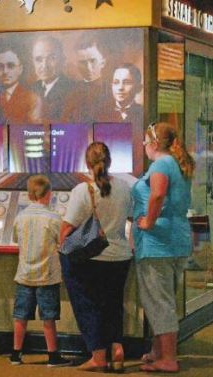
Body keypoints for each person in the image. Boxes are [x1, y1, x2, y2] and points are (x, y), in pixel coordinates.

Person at [60, 142, 133, 372]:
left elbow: (66, 230)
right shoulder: (124, 187)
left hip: (91, 259)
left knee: (88, 304)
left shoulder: (83, 191)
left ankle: (98, 356)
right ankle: (117, 348)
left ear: (87, 164)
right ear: (109, 162)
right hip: (120, 256)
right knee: (113, 304)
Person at [132, 122, 195, 373]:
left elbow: (157, 194)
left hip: (158, 243)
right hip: (176, 239)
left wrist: (148, 221)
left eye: (146, 142)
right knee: (163, 298)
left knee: (159, 301)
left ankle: (168, 358)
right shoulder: (176, 164)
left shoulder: (160, 164)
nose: (144, 147)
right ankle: (159, 351)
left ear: (155, 143)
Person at [10, 175, 72, 367]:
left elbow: (15, 238)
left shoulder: (20, 217)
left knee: (21, 316)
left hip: (24, 275)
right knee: (49, 317)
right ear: (50, 194)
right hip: (47, 275)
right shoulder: (54, 218)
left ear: (29, 195)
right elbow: (62, 242)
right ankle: (53, 356)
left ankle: (16, 353)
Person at [63, 34, 109, 123]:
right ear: (77, 64)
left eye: (93, 61)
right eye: (83, 63)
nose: (88, 67)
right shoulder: (72, 92)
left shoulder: (112, 90)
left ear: (103, 62)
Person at [30, 35, 73, 124]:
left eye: (52, 58)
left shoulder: (75, 90)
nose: (44, 65)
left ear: (63, 60)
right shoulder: (29, 90)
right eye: (38, 59)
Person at [0, 45, 41, 125]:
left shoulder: (32, 99)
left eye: (11, 66)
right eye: (0, 67)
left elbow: (34, 132)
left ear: (20, 69)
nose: (5, 71)